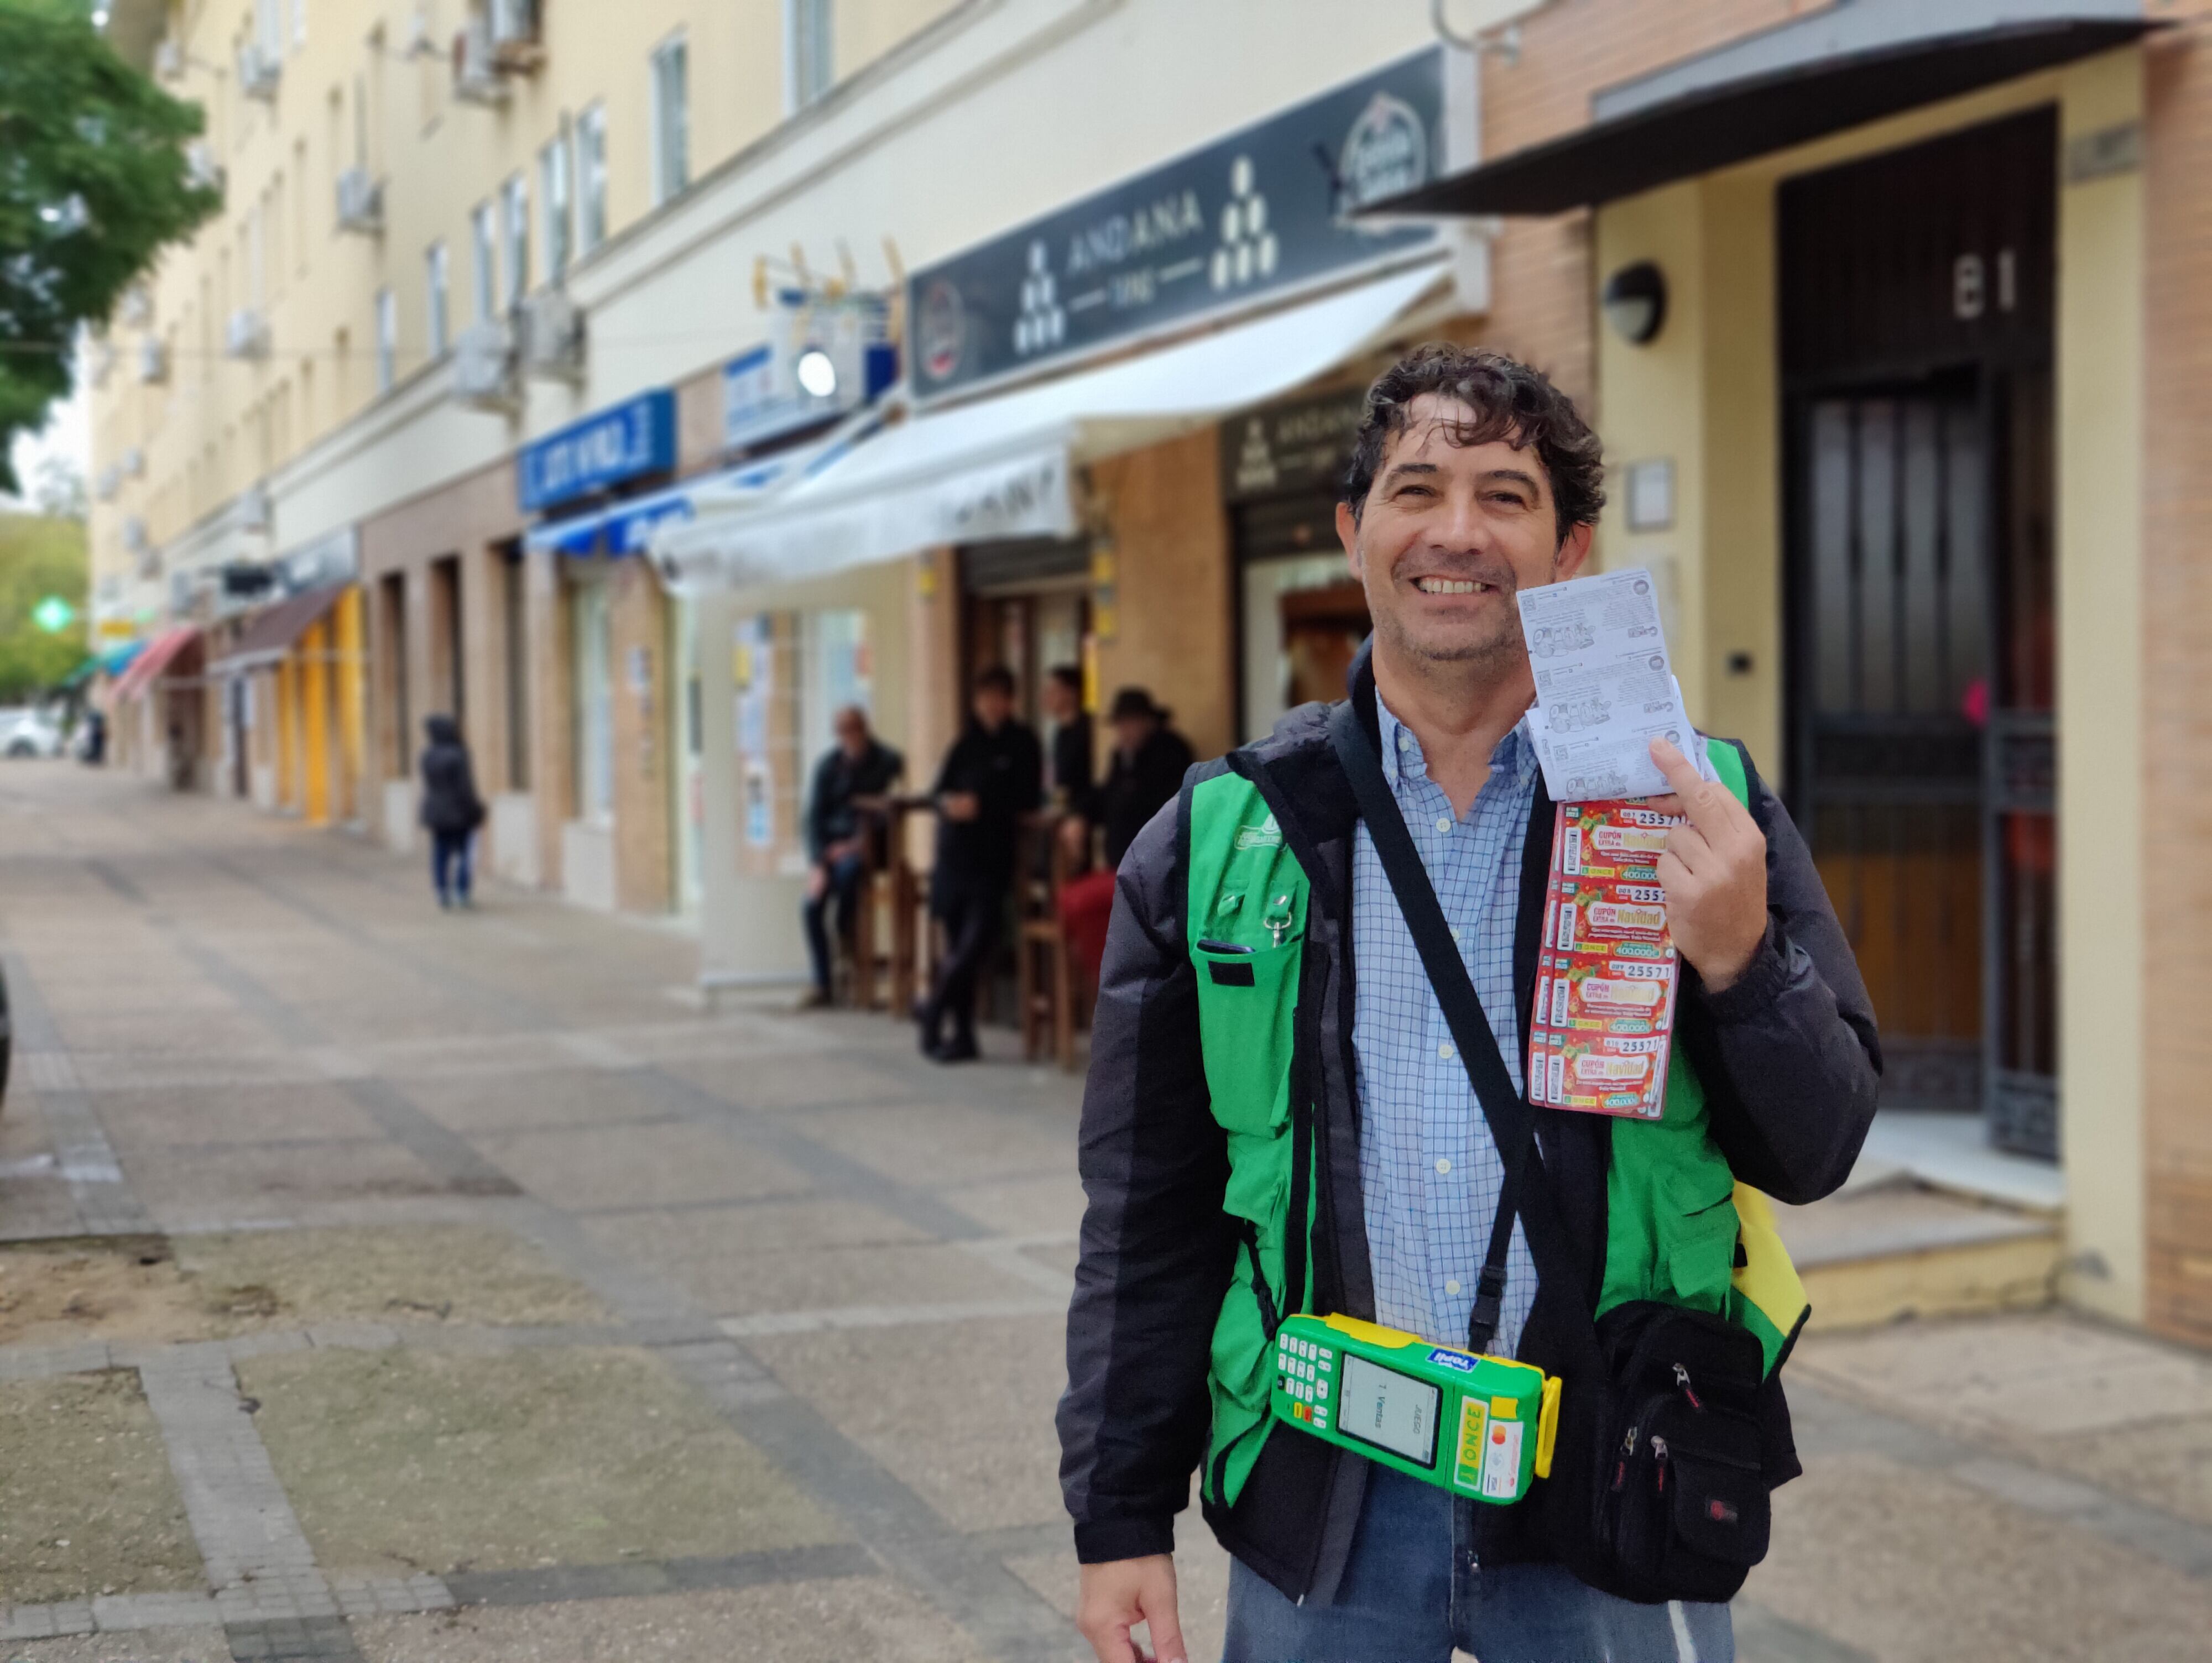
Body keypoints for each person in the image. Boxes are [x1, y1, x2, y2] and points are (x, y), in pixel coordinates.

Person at [1058, 345, 1881, 1663]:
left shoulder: (1695, 803)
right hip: (1327, 1494)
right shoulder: (1228, 831)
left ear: (1568, 549)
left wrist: (1740, 963)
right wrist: (1116, 1516)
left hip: (1613, 1478)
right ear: (1352, 532)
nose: (1454, 530)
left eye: (1504, 494)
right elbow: (1149, 1213)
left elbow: (1818, 1143)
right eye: (1415, 486)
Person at [915, 665, 1042, 1062]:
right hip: (955, 857)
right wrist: (949, 805)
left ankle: (934, 1007)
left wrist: (982, 806)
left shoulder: (1023, 744)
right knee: (955, 942)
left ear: (1010, 701)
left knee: (973, 944)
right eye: (983, 697)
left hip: (992, 859)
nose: (990, 705)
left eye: (998, 696)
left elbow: (1027, 797)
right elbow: (936, 793)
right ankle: (963, 1035)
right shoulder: (964, 744)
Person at [1057, 687, 1194, 988]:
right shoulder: (1123, 758)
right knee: (1080, 909)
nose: (1124, 731)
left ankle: (1111, 985)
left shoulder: (1169, 755)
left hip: (1152, 875)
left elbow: (1161, 811)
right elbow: (1105, 797)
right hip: (1122, 870)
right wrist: (1078, 816)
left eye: (1131, 723)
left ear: (1148, 722)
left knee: (1076, 901)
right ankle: (1108, 984)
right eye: (1121, 724)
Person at [799, 705, 904, 1008]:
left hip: (866, 847)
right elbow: (813, 819)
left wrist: (856, 845)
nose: (850, 736)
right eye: (843, 730)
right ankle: (822, 982)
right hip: (831, 849)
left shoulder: (886, 761)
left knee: (849, 875)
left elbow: (890, 810)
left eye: (855, 728)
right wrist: (818, 862)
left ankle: (846, 933)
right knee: (810, 906)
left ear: (865, 729)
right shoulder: (827, 767)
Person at [418, 714, 486, 910]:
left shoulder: (429, 755)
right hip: (459, 812)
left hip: (437, 812)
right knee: (464, 852)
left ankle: (441, 890)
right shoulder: (458, 754)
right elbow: (465, 787)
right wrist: (475, 810)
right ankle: (461, 891)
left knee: (440, 852)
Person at [1044, 664, 1094, 817]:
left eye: (1053, 691)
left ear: (1072, 693)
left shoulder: (1088, 731)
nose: (1047, 697)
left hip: (1084, 813)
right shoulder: (1060, 733)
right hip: (1065, 812)